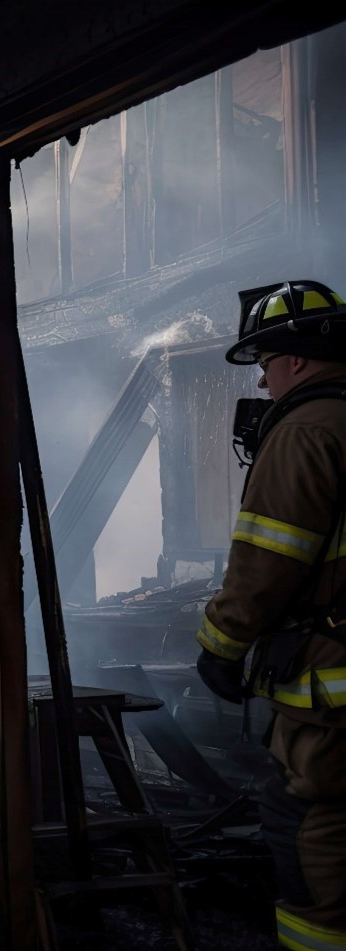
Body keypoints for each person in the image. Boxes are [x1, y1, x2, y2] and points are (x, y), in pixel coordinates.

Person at [195, 280, 346, 949]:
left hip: (334, 701)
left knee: (312, 836)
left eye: (264, 361)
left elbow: (265, 564)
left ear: (297, 360)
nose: (262, 376)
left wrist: (220, 647)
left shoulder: (306, 431)